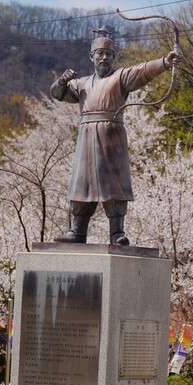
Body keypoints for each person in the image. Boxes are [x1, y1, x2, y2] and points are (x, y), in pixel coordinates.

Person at [50, 29, 180, 245]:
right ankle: (77, 231)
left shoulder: (120, 77)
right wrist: (62, 82)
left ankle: (117, 233)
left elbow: (142, 71)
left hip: (112, 136)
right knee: (82, 183)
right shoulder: (81, 84)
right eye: (100, 53)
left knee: (114, 184)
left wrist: (165, 62)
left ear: (113, 57)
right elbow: (57, 94)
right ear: (91, 56)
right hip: (86, 137)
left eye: (108, 54)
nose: (104, 58)